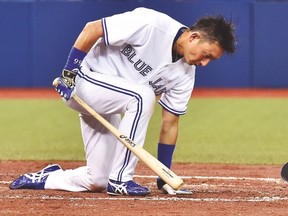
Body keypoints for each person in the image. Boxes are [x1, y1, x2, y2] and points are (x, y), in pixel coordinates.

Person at [9, 7, 236, 196]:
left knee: (96, 179)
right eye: (206, 55)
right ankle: (121, 179)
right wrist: (70, 71)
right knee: (143, 95)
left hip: (112, 101)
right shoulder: (152, 24)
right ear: (194, 37)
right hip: (84, 81)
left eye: (211, 60)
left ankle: (50, 177)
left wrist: (164, 175)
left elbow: (170, 122)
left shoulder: (185, 74)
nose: (205, 63)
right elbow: (93, 28)